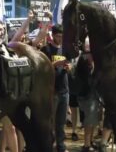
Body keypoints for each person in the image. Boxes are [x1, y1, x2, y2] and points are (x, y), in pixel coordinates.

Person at [41, 24, 71, 152]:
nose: (60, 38)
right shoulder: (46, 49)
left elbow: (70, 65)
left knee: (61, 122)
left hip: (64, 90)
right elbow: (42, 69)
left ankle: (61, 146)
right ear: (53, 35)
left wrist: (69, 68)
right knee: (50, 122)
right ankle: (49, 145)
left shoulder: (65, 49)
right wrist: (55, 64)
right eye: (58, 36)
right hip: (52, 91)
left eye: (62, 36)